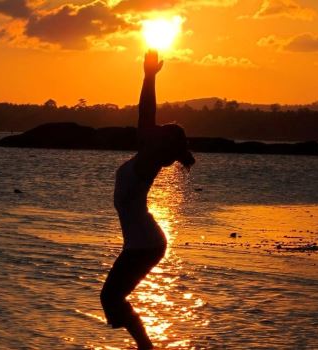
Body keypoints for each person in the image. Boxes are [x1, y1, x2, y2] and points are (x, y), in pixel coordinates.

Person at [100, 50, 196, 349]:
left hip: (145, 244)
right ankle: (145, 346)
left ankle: (146, 347)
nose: (155, 128)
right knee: (112, 297)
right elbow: (146, 120)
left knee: (111, 296)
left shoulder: (148, 161)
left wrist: (150, 77)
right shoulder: (147, 159)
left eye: (161, 130)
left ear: (161, 142)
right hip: (145, 241)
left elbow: (145, 115)